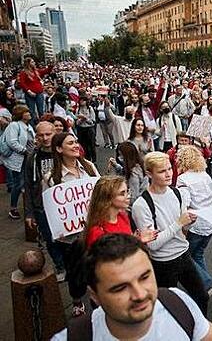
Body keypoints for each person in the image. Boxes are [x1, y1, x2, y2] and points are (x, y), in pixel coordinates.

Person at [52, 234, 212, 340]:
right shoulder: (73, 338)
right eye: (120, 288)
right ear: (95, 296)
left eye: (145, 277)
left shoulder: (176, 302)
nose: (140, 294)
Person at [131, 151, 209, 314]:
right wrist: (179, 223)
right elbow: (153, 245)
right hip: (163, 263)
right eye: (161, 171)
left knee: (202, 296)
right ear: (149, 174)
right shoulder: (141, 205)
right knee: (169, 309)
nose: (168, 174)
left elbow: (182, 231)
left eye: (169, 169)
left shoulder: (177, 193)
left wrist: (188, 224)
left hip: (184, 255)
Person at [46, 132, 100, 317]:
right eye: (71, 143)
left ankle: (98, 303)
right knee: (76, 274)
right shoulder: (52, 178)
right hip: (71, 240)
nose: (76, 145)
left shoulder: (90, 167)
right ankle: (77, 300)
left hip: (94, 232)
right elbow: (51, 209)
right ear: (59, 149)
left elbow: (100, 193)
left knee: (97, 270)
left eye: (76, 141)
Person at [24, 122, 67, 281]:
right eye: (41, 135)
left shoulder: (63, 152)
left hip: (63, 205)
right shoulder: (32, 157)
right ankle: (60, 266)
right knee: (50, 239)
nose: (45, 138)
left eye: (48, 134)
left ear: (55, 133)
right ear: (36, 136)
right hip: (41, 206)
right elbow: (28, 185)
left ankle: (71, 265)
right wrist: (29, 213)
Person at [176, 146, 212, 296]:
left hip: (196, 225)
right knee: (198, 254)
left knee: (186, 256)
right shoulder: (205, 175)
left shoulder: (182, 179)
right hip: (210, 222)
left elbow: (184, 204)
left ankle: (207, 283)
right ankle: (205, 284)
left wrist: (183, 227)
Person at [84, 176, 157, 248]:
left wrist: (137, 240)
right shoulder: (97, 232)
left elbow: (126, 245)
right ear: (107, 199)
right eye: (122, 193)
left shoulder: (122, 216)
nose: (128, 196)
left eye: (127, 191)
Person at [1, 105, 35, 219]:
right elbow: (12, 142)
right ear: (21, 114)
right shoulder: (14, 125)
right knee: (18, 183)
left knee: (27, 183)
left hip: (28, 158)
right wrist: (25, 151)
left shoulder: (28, 126)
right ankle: (13, 208)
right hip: (19, 159)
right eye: (26, 112)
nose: (29, 113)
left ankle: (28, 206)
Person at [18, 57, 52, 122]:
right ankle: (32, 126)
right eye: (32, 62)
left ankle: (43, 124)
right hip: (29, 94)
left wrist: (50, 65)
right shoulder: (23, 73)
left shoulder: (36, 71)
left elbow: (46, 71)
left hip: (39, 92)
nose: (34, 63)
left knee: (41, 110)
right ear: (28, 64)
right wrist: (28, 91)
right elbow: (22, 83)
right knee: (31, 111)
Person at [75, 96, 97, 162]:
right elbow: (77, 122)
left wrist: (86, 118)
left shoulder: (90, 109)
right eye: (81, 100)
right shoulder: (78, 109)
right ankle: (85, 158)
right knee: (83, 144)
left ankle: (93, 159)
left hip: (89, 129)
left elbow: (93, 121)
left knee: (91, 145)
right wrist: (81, 120)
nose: (82, 102)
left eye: (83, 100)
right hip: (81, 129)